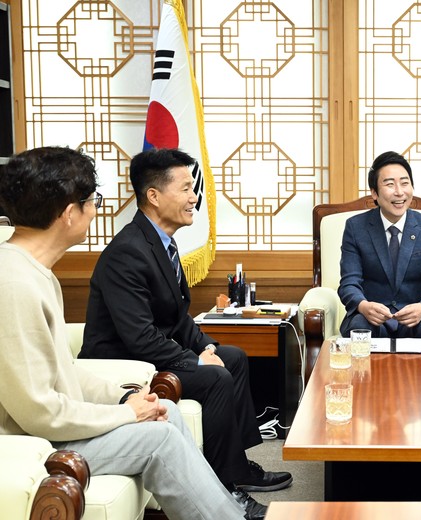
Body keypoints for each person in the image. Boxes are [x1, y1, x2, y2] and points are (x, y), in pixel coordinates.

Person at [0, 146, 254, 520]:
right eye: (93, 201)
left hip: (52, 429)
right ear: (69, 214)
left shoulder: (36, 272)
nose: (95, 210)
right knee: (160, 438)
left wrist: (127, 397)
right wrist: (125, 414)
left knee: (165, 410)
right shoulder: (15, 284)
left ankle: (230, 508)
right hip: (35, 444)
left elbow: (63, 371)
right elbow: (41, 413)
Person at [79, 148, 291, 517]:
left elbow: (178, 319)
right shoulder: (127, 252)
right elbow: (140, 337)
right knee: (215, 377)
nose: (195, 197)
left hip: (150, 352)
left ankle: (237, 467)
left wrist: (207, 347)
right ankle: (225, 487)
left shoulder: (162, 242)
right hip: (123, 363)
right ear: (154, 195)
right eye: (186, 189)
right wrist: (197, 361)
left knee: (232, 357)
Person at [338, 150, 421, 338]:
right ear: (374, 193)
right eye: (390, 184)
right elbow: (349, 282)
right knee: (359, 328)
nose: (399, 192)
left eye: (405, 183)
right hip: (372, 315)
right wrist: (363, 306)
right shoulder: (355, 227)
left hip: (415, 315)